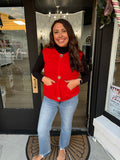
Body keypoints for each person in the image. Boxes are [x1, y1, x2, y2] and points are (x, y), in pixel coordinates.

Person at [32, 19, 89, 160]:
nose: (60, 35)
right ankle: (44, 151)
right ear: (52, 35)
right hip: (50, 99)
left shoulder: (78, 54)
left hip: (69, 99)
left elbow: (87, 75)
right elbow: (35, 71)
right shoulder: (46, 52)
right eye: (56, 32)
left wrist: (78, 81)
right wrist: (43, 78)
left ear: (69, 33)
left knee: (66, 127)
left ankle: (62, 149)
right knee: (42, 129)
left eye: (63, 31)